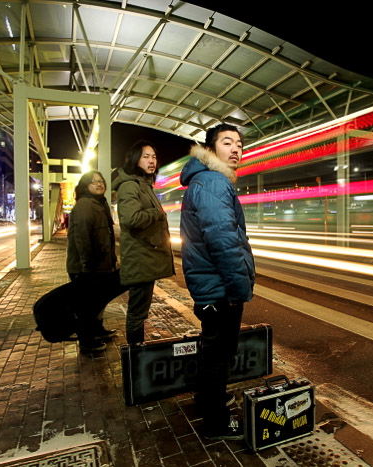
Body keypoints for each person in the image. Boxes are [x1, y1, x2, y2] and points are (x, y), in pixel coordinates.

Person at [179, 123, 256, 440]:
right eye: (228, 143)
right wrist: (239, 290)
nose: (236, 149)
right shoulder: (212, 182)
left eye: (239, 144)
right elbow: (223, 242)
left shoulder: (207, 181)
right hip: (220, 289)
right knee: (219, 355)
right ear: (210, 150)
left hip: (210, 287)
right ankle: (217, 422)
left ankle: (208, 404)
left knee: (213, 351)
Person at [112, 141, 174, 345]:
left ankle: (137, 352)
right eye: (146, 156)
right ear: (134, 158)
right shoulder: (130, 185)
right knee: (137, 313)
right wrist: (156, 212)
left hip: (145, 256)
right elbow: (131, 219)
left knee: (140, 310)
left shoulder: (143, 184)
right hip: (140, 258)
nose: (152, 161)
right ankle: (135, 357)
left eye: (154, 157)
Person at [66, 171, 121, 354]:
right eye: (93, 182)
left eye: (101, 181)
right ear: (85, 186)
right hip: (86, 268)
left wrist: (112, 260)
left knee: (97, 302)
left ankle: (98, 331)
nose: (99, 184)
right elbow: (82, 238)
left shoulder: (99, 204)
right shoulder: (85, 205)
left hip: (99, 266)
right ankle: (87, 343)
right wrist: (86, 267)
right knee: (86, 307)